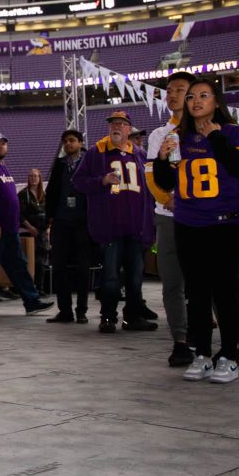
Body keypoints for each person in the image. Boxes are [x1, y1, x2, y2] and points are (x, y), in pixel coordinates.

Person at [152, 77, 239, 383]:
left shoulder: (232, 132)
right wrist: (163, 158)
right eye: (191, 97)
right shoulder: (179, 137)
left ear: (217, 102)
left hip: (224, 223)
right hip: (188, 224)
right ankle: (202, 354)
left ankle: (229, 354)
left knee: (225, 292)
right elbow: (165, 182)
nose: (196, 101)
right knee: (197, 293)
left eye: (204, 95)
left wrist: (216, 138)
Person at [74, 110, 156, 334]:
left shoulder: (140, 154)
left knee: (135, 278)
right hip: (111, 228)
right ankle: (108, 316)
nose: (116, 127)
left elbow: (150, 189)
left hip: (136, 227)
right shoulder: (96, 153)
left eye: (121, 124)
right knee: (110, 277)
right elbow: (78, 182)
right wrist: (101, 180)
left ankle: (133, 317)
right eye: (113, 124)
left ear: (129, 130)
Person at [145, 71, 198, 367]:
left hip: (202, 216)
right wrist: (168, 200)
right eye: (169, 90)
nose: (172, 95)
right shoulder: (158, 135)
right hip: (168, 216)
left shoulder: (206, 129)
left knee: (209, 279)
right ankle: (180, 340)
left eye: (179, 89)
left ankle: (227, 338)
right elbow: (151, 176)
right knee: (172, 283)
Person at [0, 133, 53, 318]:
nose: (1, 147)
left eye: (4, 144)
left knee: (19, 266)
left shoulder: (3, 168)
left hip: (9, 229)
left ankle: (32, 302)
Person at [44, 129, 92, 324]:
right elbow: (51, 192)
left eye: (72, 141)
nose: (68, 144)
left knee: (83, 267)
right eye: (65, 141)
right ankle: (65, 310)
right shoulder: (60, 165)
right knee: (59, 267)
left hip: (83, 221)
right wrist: (50, 218)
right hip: (62, 222)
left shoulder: (89, 162)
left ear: (80, 142)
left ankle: (81, 310)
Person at [19, 167, 47, 291]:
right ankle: (29, 287)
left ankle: (40, 287)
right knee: (30, 261)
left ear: (40, 178)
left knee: (41, 261)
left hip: (42, 233)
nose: (33, 178)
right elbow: (19, 214)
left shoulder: (43, 194)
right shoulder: (23, 194)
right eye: (30, 176)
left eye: (35, 176)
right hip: (28, 232)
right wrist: (29, 227)